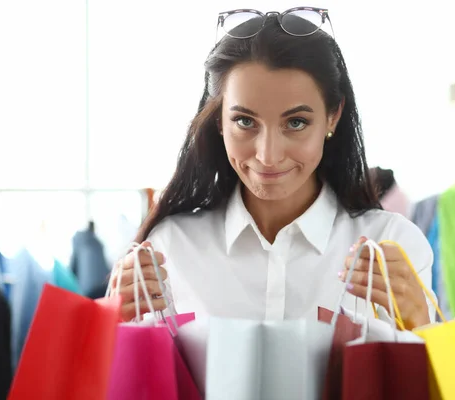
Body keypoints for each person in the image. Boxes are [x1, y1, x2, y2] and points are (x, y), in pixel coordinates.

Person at [113, 8, 435, 329]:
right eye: (245, 121)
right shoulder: (169, 249)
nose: (268, 155)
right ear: (218, 120)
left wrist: (421, 324)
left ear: (333, 117)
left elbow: (430, 379)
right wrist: (109, 324)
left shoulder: (393, 245)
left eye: (296, 122)